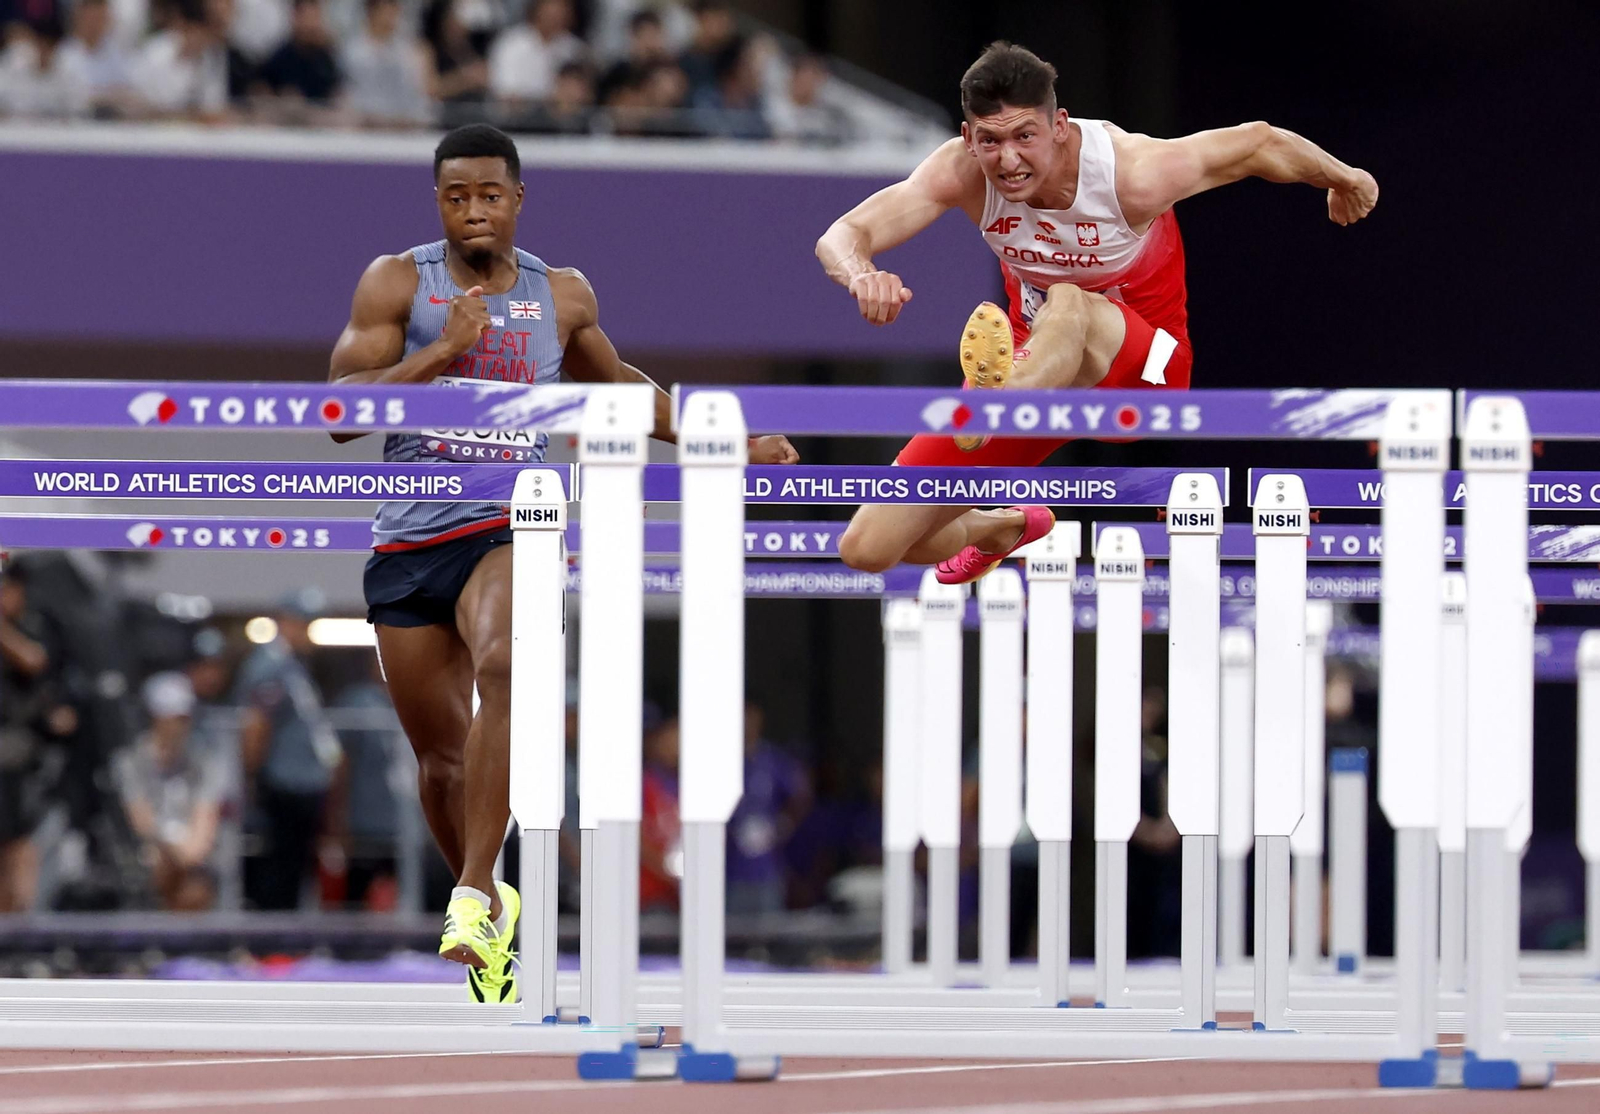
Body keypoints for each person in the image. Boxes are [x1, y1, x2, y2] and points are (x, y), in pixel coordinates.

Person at [327, 123, 797, 1003]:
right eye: (457, 197)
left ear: (517, 199)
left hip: (514, 520)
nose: (474, 211)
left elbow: (619, 388)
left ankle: (471, 895)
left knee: (507, 665)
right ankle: (491, 906)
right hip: (409, 540)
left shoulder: (562, 294)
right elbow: (339, 414)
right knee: (441, 764)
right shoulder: (397, 281)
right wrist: (440, 352)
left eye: (489, 195)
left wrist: (724, 438)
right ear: (438, 203)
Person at [819, 42, 1378, 584]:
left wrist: (1346, 178)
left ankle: (998, 402)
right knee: (870, 547)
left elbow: (1257, 143)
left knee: (1067, 299)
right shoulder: (960, 171)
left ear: (1059, 126)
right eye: (990, 141)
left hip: (1145, 374)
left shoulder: (1132, 172)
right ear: (968, 138)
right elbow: (843, 234)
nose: (1008, 160)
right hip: (1035, 371)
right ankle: (1002, 526)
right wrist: (861, 274)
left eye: (1025, 136)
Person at [234, 588, 341, 911]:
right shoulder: (269, 666)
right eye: (304, 624)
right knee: (279, 865)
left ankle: (287, 927)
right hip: (283, 783)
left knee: (295, 866)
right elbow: (256, 726)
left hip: (302, 782)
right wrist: (252, 779)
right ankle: (273, 934)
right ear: (286, 622)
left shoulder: (293, 665)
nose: (308, 633)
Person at [115, 673, 224, 912]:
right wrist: (175, 851)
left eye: (186, 717)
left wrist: (190, 852)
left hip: (192, 857)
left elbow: (205, 817)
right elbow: (142, 822)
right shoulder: (131, 761)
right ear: (156, 717)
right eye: (176, 718)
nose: (182, 725)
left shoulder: (204, 762)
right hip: (150, 852)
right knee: (164, 870)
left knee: (194, 889)